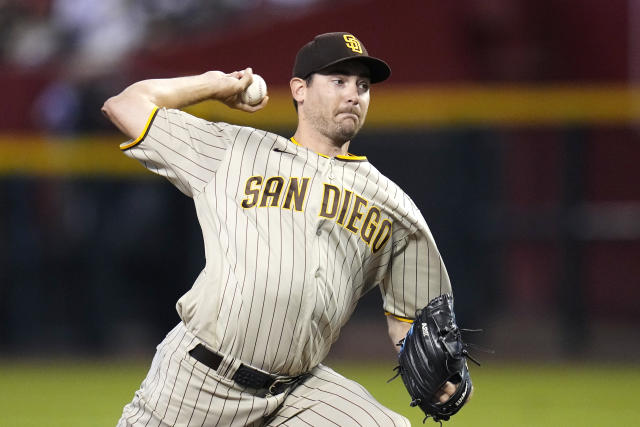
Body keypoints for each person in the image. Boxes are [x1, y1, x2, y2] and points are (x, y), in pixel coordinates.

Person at [102, 32, 461, 427]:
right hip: (200, 380)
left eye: (362, 86)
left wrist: (443, 375)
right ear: (299, 90)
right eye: (338, 81)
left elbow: (414, 319)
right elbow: (125, 105)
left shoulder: (392, 204)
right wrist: (215, 84)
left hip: (295, 393)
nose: (353, 95)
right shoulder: (232, 150)